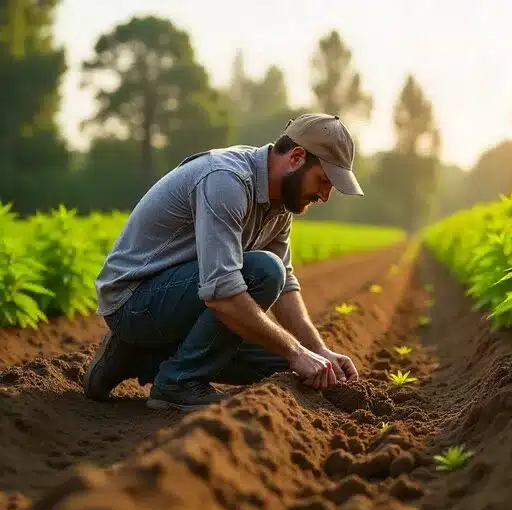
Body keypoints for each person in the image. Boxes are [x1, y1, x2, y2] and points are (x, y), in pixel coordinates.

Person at [83, 113, 362, 411]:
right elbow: (223, 292)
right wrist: (296, 351)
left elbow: (286, 287)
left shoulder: (281, 205)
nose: (325, 195)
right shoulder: (226, 180)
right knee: (264, 272)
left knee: (284, 366)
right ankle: (177, 383)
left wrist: (315, 350)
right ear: (296, 157)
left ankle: (138, 356)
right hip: (134, 300)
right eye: (323, 180)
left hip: (181, 299)